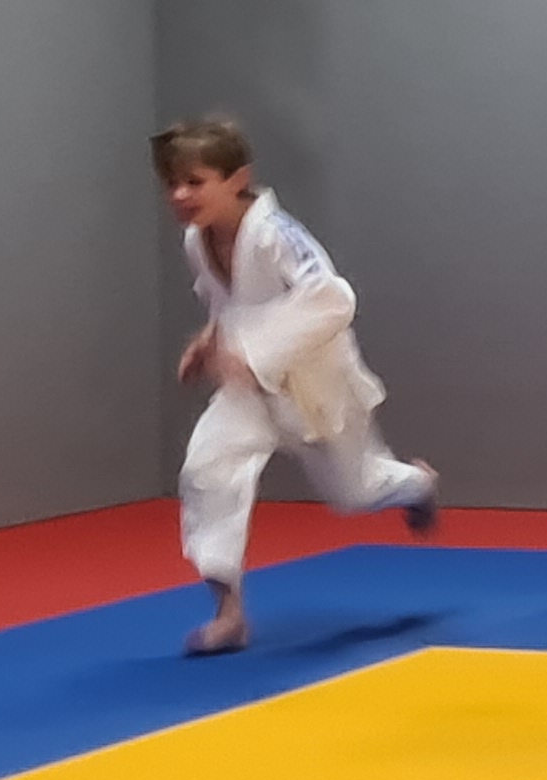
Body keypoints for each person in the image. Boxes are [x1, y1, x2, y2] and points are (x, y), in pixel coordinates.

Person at [154, 115, 440, 659]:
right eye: (173, 183)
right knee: (207, 470)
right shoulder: (197, 240)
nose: (180, 195)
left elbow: (334, 299)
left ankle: (417, 485)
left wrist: (256, 350)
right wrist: (209, 339)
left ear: (238, 179)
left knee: (355, 493)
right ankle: (229, 614)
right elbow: (227, 299)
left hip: (316, 387)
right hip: (247, 387)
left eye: (195, 181)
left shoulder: (276, 234)